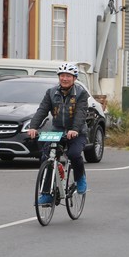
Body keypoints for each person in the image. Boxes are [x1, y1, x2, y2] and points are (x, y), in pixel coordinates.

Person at [29, 63, 89, 204]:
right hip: (57, 131)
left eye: (68, 76)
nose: (64, 78)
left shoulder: (81, 93)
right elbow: (42, 110)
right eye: (62, 75)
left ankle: (80, 178)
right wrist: (33, 127)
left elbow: (81, 113)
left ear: (74, 78)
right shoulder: (51, 92)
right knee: (46, 158)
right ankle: (46, 194)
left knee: (74, 155)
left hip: (77, 131)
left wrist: (74, 129)